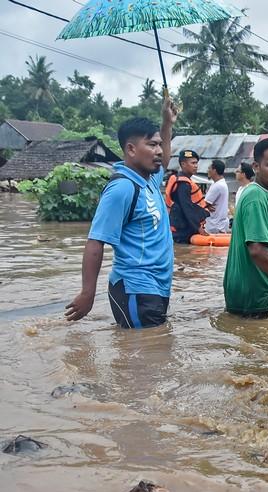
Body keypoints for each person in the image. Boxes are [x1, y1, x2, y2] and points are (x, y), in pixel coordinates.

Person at [65, 98, 177, 328]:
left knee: (152, 355)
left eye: (159, 144)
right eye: (152, 145)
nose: (158, 151)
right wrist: (88, 293)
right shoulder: (122, 188)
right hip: (135, 288)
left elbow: (164, 159)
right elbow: (96, 240)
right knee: (143, 358)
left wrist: (167, 124)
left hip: (156, 287)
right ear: (131, 149)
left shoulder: (150, 180)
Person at [223, 139, 268, 316]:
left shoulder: (266, 195)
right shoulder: (256, 196)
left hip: (254, 291)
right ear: (256, 167)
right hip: (256, 294)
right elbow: (258, 250)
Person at [165, 149, 209, 243]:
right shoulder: (183, 184)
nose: (196, 166)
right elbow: (186, 207)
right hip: (182, 231)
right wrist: (198, 227)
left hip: (181, 226)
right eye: (193, 163)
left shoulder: (183, 181)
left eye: (196, 163)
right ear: (183, 164)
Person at [204, 159, 230, 234]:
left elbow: (204, 204)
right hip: (218, 223)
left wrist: (206, 205)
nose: (207, 171)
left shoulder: (218, 186)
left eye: (209, 168)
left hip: (215, 225)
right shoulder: (218, 183)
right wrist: (207, 206)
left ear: (214, 170)